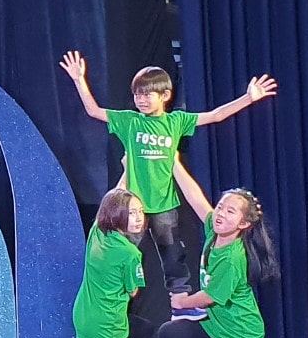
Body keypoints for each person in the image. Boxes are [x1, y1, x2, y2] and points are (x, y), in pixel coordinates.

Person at [58, 53, 277, 319]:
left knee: (173, 256)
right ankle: (110, 303)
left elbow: (216, 116)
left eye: (147, 94)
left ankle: (180, 305)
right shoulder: (130, 121)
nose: (141, 99)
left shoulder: (175, 122)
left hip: (164, 205)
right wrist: (79, 80)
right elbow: (94, 111)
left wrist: (248, 98)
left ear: (165, 95)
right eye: (137, 94)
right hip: (134, 207)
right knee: (120, 253)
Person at [157, 161, 308, 338]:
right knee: (169, 333)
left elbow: (209, 297)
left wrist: (182, 302)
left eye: (230, 211)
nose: (220, 213)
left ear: (243, 224)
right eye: (221, 207)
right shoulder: (214, 231)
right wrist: (174, 162)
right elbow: (195, 197)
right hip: (214, 325)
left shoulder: (232, 259)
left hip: (239, 332)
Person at [26, 189, 147, 338]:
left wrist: (127, 173)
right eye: (131, 213)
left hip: (86, 314)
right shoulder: (130, 254)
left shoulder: (97, 232)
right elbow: (133, 291)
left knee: (144, 329)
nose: (139, 218)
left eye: (140, 211)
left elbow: (111, 199)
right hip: (108, 323)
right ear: (116, 213)